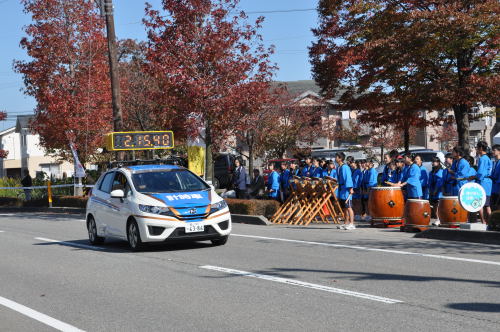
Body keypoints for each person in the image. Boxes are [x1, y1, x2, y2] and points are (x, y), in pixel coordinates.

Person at [469, 141, 492, 224]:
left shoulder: (482, 158)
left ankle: (483, 222)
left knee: (480, 203)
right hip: (488, 182)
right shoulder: (488, 158)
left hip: (483, 182)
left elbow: (480, 173)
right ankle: (490, 222)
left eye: (477, 148)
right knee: (487, 205)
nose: (476, 149)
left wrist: (473, 176)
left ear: (481, 148)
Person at [335, 152, 355, 230]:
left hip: (346, 189)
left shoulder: (345, 167)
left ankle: (352, 223)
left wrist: (350, 188)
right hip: (341, 189)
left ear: (340, 158)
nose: (335, 158)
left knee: (349, 207)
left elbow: (348, 178)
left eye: (336, 157)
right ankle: (346, 223)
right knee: (344, 208)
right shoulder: (338, 167)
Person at [428, 157, 444, 224]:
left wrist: (435, 190)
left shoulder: (440, 171)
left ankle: (439, 219)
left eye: (434, 162)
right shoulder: (432, 171)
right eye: (432, 161)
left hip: (438, 192)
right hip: (432, 190)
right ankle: (438, 219)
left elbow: (439, 182)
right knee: (434, 206)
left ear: (438, 162)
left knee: (437, 205)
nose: (433, 163)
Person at [491, 145, 500, 210]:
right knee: (494, 206)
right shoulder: (494, 162)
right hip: (494, 188)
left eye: (494, 150)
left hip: (498, 187)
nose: (492, 152)